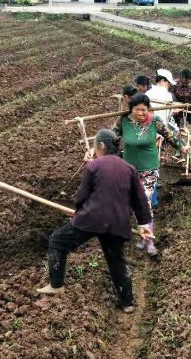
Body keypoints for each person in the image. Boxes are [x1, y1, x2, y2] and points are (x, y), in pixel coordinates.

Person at [36, 130, 153, 312]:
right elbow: (140, 201)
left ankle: (56, 285)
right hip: (118, 222)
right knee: (116, 260)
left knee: (57, 241)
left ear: (101, 146)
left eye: (94, 146)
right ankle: (127, 303)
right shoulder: (129, 169)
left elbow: (82, 195)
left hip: (91, 218)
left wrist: (78, 212)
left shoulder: (94, 166)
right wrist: (143, 225)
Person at [115, 93, 188, 256]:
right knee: (129, 204)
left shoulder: (155, 121)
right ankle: (138, 236)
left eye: (144, 110)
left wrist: (182, 147)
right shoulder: (123, 121)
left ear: (149, 109)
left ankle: (149, 241)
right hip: (128, 170)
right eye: (137, 110)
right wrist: (96, 150)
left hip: (149, 170)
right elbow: (112, 138)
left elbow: (170, 136)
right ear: (131, 110)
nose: (141, 114)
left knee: (145, 203)